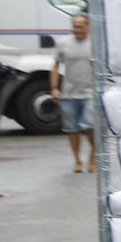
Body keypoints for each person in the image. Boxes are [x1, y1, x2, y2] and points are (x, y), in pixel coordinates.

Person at [51, 12, 96, 173]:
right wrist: (55, 88)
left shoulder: (96, 43)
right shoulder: (63, 43)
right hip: (69, 93)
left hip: (90, 92)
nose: (76, 30)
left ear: (87, 26)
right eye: (74, 26)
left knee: (90, 125)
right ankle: (77, 159)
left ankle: (93, 155)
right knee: (72, 128)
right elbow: (56, 67)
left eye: (80, 26)